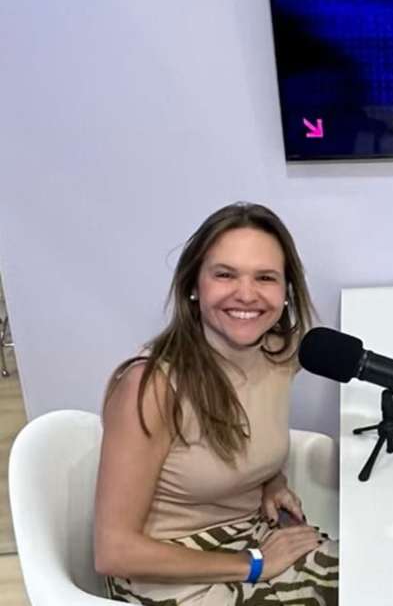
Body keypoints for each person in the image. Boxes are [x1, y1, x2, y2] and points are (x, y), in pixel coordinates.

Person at [94, 203, 338, 604]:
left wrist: (271, 481)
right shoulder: (151, 387)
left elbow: (244, 440)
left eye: (265, 277)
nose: (246, 293)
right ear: (194, 285)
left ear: (286, 293)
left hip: (251, 534)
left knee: (378, 577)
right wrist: (254, 564)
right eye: (225, 274)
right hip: (169, 572)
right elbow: (113, 551)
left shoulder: (280, 353)